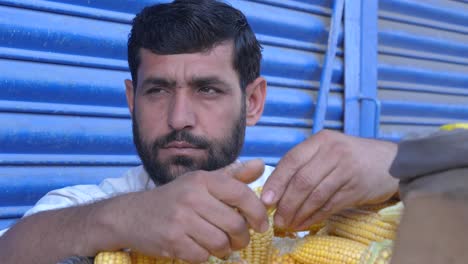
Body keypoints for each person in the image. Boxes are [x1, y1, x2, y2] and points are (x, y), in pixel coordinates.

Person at [0, 1, 400, 263]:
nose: (178, 119)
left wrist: (402, 168)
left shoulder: (313, 200)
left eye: (207, 90)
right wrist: (123, 218)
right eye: (157, 90)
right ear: (132, 99)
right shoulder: (92, 204)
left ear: (254, 102)